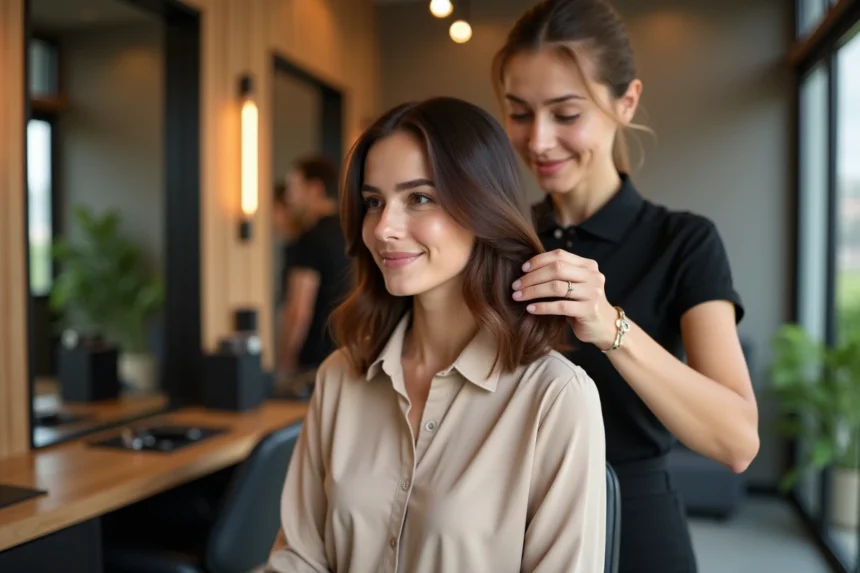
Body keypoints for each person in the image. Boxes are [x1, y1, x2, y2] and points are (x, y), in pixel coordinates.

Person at [265, 97, 606, 573]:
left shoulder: (555, 398)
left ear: (482, 206)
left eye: (419, 198)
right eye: (373, 202)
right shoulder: (340, 377)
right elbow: (299, 558)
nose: (384, 228)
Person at [491, 1, 760, 571]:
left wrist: (611, 325)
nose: (538, 141)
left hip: (635, 526)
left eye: (566, 114)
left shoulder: (683, 241)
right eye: (519, 113)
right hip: (511, 528)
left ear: (626, 102)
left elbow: (737, 440)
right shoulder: (504, 243)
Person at [276, 156, 350, 378]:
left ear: (314, 188)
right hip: (350, 353)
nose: (289, 198)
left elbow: (298, 309)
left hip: (315, 364)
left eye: (294, 188)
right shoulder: (351, 231)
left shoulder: (310, 238)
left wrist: (286, 361)